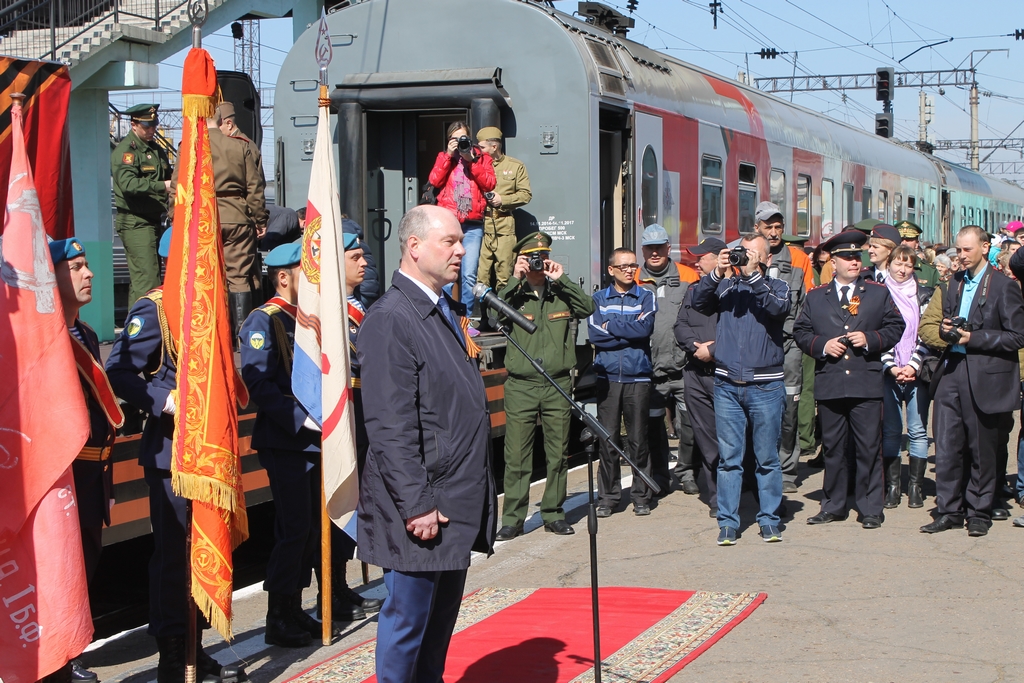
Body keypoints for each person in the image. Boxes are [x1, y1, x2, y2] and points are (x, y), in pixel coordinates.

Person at [356, 204, 496, 683]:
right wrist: (416, 504)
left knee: (437, 631)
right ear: (414, 247)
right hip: (421, 506)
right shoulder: (391, 318)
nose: (462, 250)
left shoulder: (442, 309)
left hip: (451, 497)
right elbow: (389, 425)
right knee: (408, 627)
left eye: (461, 241)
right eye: (450, 241)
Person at [106, 231, 245, 683]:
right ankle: (172, 651)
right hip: (172, 453)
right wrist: (165, 400)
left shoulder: (206, 306)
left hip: (207, 453)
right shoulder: (155, 308)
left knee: (202, 550)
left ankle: (195, 645)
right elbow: (120, 370)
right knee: (174, 558)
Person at [794, 230, 904, 529]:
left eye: (857, 256)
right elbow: (801, 332)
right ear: (834, 261)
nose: (854, 262)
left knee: (868, 446)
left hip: (864, 381)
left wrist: (870, 339)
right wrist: (822, 346)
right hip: (831, 381)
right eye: (847, 257)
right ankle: (834, 505)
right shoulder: (817, 297)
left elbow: (897, 327)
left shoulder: (877, 293)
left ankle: (870, 507)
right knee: (834, 447)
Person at [51, 238, 124, 683]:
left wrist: (108, 482)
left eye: (86, 265)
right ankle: (58, 659)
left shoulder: (86, 333)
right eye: (76, 267)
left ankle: (70, 650)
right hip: (63, 474)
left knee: (84, 565)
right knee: (60, 566)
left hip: (92, 472)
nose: (89, 273)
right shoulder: (47, 338)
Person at [922, 226, 1024, 537]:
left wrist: (973, 338)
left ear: (983, 248)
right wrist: (946, 331)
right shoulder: (952, 283)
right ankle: (949, 510)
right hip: (952, 370)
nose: (960, 256)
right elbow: (937, 323)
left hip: (985, 375)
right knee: (947, 445)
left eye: (967, 250)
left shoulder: (1003, 286)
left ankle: (979, 511)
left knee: (982, 448)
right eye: (958, 250)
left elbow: (1017, 336)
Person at [691, 234, 791, 545]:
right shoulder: (725, 286)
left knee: (767, 458)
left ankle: (769, 519)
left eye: (750, 253)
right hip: (727, 385)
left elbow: (777, 310)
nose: (743, 258)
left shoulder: (778, 286)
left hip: (766, 386)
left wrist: (753, 276)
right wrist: (717, 273)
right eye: (740, 252)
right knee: (730, 458)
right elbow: (697, 302)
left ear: (767, 259)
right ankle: (728, 523)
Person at [494, 231, 594, 541]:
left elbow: (588, 307)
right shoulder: (513, 293)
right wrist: (515, 278)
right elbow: (489, 312)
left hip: (557, 383)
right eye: (533, 258)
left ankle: (553, 513)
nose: (539, 263)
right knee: (517, 455)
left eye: (543, 257)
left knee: (557, 453)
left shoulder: (560, 293)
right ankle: (513, 518)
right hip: (522, 385)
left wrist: (562, 280)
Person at [171, 109, 269, 336]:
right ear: (220, 121)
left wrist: (174, 217)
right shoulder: (240, 146)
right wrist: (259, 219)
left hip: (203, 217)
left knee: (203, 275)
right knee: (238, 276)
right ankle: (242, 335)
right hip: (237, 216)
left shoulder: (190, 146)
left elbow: (179, 187)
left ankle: (209, 333)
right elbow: (255, 187)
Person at [589, 248, 657, 517]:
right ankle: (608, 497)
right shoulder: (598, 299)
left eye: (633, 266)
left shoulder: (646, 296)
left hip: (638, 377)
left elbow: (645, 329)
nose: (630, 270)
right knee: (608, 441)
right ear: (611, 270)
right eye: (624, 266)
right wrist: (628, 331)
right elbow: (596, 336)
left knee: (639, 440)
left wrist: (612, 326)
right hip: (607, 379)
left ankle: (641, 496)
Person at [754, 202, 814, 493]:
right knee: (758, 409)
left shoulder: (799, 258)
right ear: (758, 228)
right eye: (769, 227)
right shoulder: (748, 255)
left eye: (779, 227)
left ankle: (787, 469)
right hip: (757, 345)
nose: (775, 232)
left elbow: (808, 303)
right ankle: (759, 467)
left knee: (790, 408)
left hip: (789, 345)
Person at [636, 224, 699, 495]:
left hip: (684, 369)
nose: (654, 252)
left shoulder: (688, 276)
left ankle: (686, 472)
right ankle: (660, 477)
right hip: (650, 372)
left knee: (689, 427)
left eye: (659, 247)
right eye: (649, 248)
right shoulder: (634, 277)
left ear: (668, 247)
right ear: (643, 250)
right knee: (652, 429)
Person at [674, 237, 726, 518]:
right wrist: (695, 347)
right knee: (707, 441)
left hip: (725, 374)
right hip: (695, 373)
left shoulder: (733, 289)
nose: (695, 261)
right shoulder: (693, 289)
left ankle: (742, 492)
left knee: (731, 438)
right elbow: (680, 324)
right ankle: (717, 497)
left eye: (701, 256)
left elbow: (742, 332)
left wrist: (714, 350)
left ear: (719, 258)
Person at [879, 245, 933, 510]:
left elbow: (926, 333)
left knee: (918, 430)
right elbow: (878, 332)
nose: (902, 270)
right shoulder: (878, 293)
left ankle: (915, 488)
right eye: (898, 264)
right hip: (888, 371)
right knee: (891, 431)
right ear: (889, 264)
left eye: (908, 265)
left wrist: (912, 364)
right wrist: (891, 366)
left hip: (916, 370)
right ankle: (892, 488)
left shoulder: (924, 295)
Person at [428, 121, 496, 315]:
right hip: (449, 223)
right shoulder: (444, 157)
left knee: (468, 275)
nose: (459, 142)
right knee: (447, 272)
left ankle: (467, 319)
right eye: (454, 139)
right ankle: (446, 316)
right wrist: (448, 156)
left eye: (462, 138)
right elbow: (434, 180)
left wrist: (471, 160)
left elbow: (489, 183)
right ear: (449, 140)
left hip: (473, 225)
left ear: (470, 138)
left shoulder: (481, 157)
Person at [111, 103, 172, 306]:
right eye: (146, 126)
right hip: (135, 221)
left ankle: (136, 329)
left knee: (144, 280)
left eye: (153, 125)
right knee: (148, 281)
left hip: (154, 220)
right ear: (134, 125)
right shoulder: (127, 152)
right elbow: (128, 184)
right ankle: (144, 330)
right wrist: (162, 186)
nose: (151, 130)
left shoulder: (155, 150)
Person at [476, 126, 532, 294]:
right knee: (481, 275)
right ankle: (482, 317)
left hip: (504, 223)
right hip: (482, 225)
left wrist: (503, 200)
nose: (479, 150)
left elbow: (526, 194)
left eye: (482, 147)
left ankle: (504, 314)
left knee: (505, 274)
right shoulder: (476, 166)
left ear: (494, 147)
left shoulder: (515, 166)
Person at [895, 220, 939, 288]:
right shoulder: (885, 266)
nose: (903, 243)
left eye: (909, 239)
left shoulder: (929, 271)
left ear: (916, 244)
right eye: (901, 239)